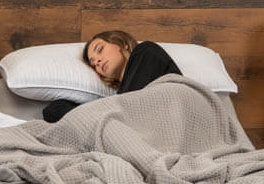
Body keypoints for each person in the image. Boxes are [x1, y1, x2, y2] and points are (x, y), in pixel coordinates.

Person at [41, 31, 181, 122]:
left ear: (123, 44)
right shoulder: (115, 102)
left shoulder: (146, 52)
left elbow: (125, 111)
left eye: (100, 50)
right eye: (93, 64)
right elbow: (51, 112)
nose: (97, 61)